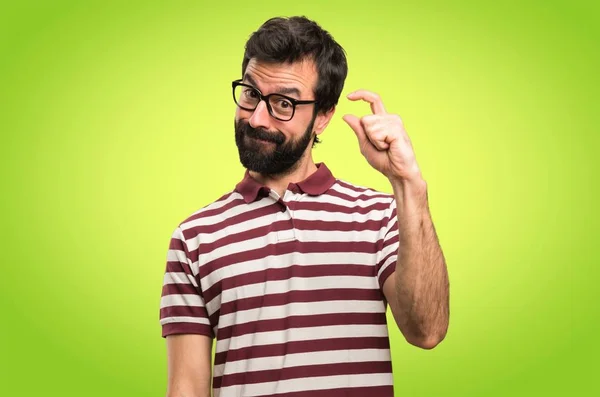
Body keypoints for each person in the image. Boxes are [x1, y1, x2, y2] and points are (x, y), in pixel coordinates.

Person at [159, 15, 449, 397]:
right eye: (250, 94)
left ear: (323, 117)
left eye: (284, 103)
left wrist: (407, 183)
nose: (258, 118)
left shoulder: (379, 217)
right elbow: (187, 388)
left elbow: (427, 330)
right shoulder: (194, 238)